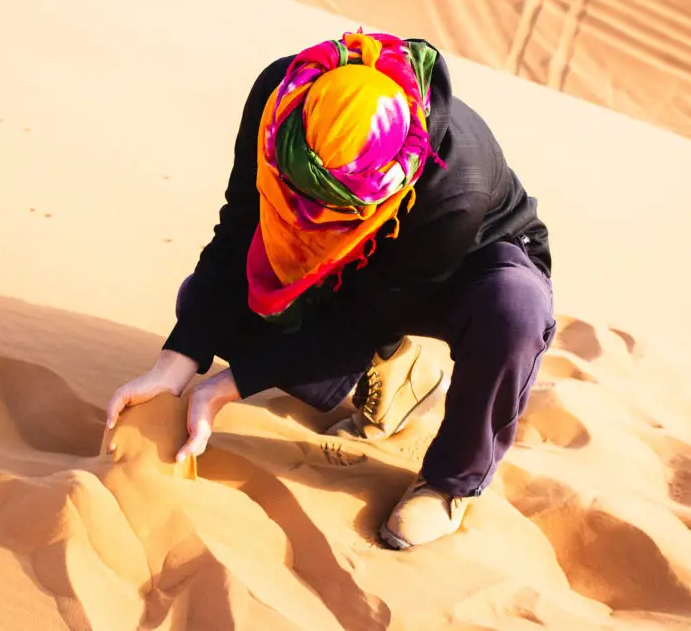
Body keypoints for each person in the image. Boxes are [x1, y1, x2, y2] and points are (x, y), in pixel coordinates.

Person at [105, 30, 556, 549]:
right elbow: (238, 231)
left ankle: (452, 483)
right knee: (205, 305)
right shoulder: (279, 94)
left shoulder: (457, 182)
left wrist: (225, 386)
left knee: (513, 312)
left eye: (326, 205)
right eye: (292, 193)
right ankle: (395, 373)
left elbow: (365, 319)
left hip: (463, 265)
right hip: (358, 263)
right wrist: (175, 365)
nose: (305, 213)